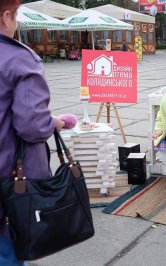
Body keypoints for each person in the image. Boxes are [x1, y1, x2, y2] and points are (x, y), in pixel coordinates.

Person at [0, 1, 75, 264]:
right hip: (8, 183)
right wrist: (56, 123)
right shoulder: (18, 59)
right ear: (7, 17)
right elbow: (32, 126)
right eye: (17, 16)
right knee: (7, 250)